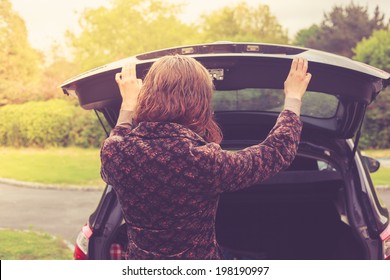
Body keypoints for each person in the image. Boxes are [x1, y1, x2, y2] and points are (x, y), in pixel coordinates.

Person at [100, 55, 312, 259]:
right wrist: (293, 98)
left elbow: (118, 137)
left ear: (146, 95)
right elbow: (276, 152)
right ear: (200, 102)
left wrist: (128, 104)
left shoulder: (116, 153)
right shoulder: (203, 161)